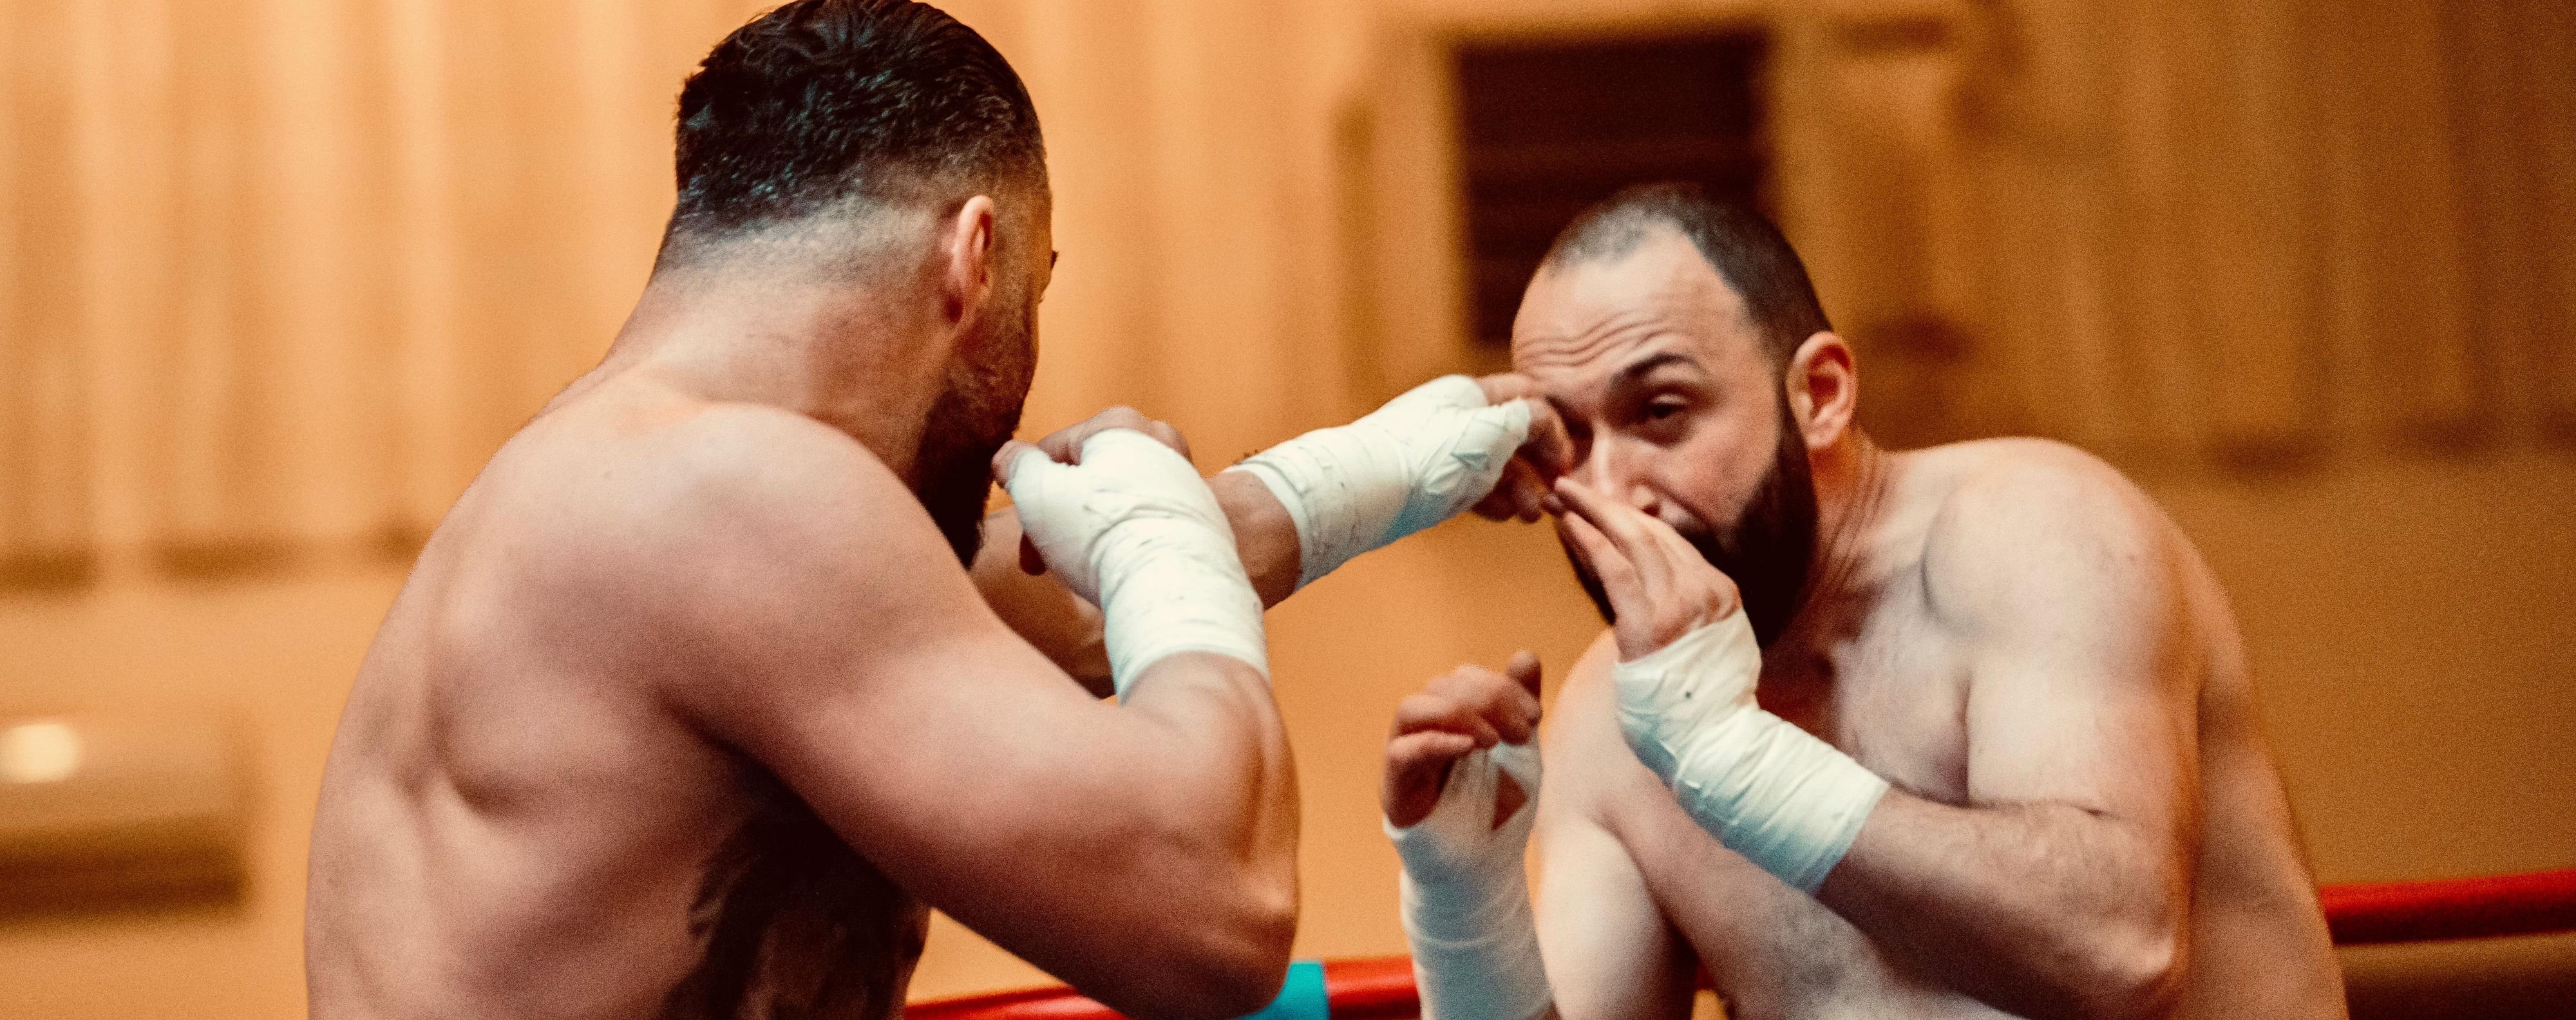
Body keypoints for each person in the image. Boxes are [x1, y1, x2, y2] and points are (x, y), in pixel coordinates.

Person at [303, 3, 1544, 1019]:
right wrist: (1152, 519)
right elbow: (1216, 911)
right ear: (976, 257)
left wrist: (1414, 454)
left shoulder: (626, 484)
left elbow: (1076, 600)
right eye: (1038, 294)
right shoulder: (732, 499)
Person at [1376, 184, 2349, 1020]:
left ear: (1823, 395)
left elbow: (2119, 952)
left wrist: (1733, 760)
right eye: (1568, 441)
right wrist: (1471, 909)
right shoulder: (1610, 721)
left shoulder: (2035, 533)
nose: (1614, 487)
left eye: (1662, 413)